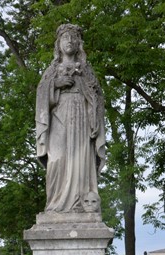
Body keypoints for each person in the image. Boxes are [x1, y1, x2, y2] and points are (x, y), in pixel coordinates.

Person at [36, 24, 105, 213]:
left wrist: (94, 118)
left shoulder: (86, 70)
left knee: (79, 159)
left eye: (73, 38)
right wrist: (56, 85)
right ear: (58, 44)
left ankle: (80, 204)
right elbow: (40, 98)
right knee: (56, 159)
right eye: (65, 38)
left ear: (79, 44)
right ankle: (55, 205)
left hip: (81, 118)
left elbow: (98, 97)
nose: (69, 41)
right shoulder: (52, 71)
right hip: (59, 117)